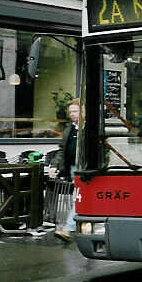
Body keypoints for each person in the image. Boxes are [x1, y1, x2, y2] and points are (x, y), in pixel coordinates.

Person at [53, 98, 80, 242]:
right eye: (70, 112)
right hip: (73, 168)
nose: (72, 114)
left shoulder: (88, 128)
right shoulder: (69, 129)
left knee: (79, 198)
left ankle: (68, 228)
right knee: (79, 198)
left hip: (85, 168)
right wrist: (55, 165)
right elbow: (62, 149)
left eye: (75, 111)